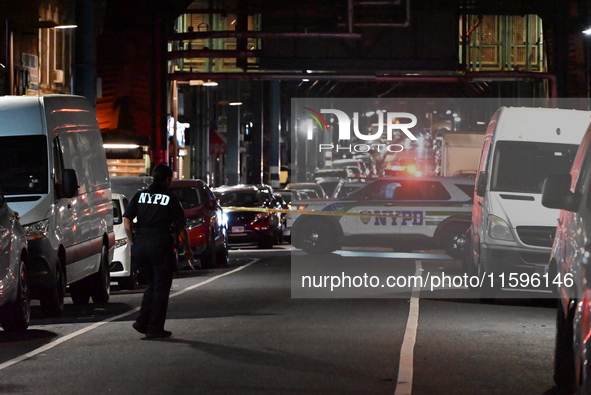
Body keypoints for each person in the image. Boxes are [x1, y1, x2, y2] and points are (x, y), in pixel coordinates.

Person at [123, 163, 196, 339]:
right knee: (161, 287)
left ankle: (142, 322)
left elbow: (126, 219)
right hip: (160, 245)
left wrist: (132, 240)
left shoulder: (140, 196)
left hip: (141, 245)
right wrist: (187, 250)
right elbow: (181, 228)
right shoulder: (170, 198)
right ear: (167, 179)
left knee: (152, 284)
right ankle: (155, 328)